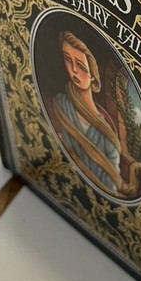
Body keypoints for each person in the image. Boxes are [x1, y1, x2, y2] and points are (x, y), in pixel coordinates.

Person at [50, 30, 124, 195]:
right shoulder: (62, 104)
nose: (73, 70)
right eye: (67, 59)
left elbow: (110, 187)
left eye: (81, 66)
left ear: (93, 76)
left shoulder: (107, 139)